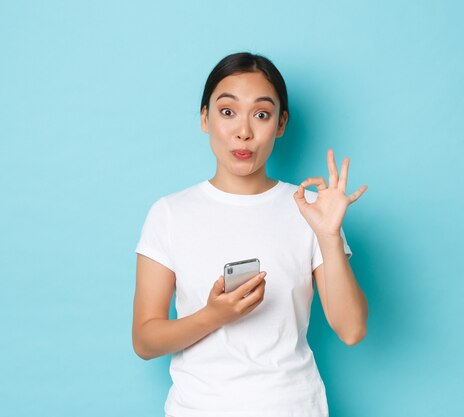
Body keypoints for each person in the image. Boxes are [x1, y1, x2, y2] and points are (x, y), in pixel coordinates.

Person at [132, 52, 368, 417]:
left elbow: (351, 330)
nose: (243, 131)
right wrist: (214, 315)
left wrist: (329, 236)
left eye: (261, 114)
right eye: (227, 112)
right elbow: (145, 340)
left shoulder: (309, 209)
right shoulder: (169, 213)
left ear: (281, 123)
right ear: (204, 118)